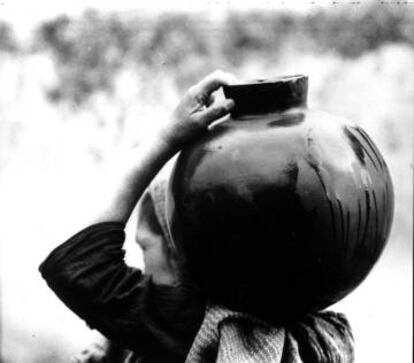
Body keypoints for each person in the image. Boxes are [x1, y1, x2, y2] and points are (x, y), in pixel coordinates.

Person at [39, 70, 354, 363]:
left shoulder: (194, 326)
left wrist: (167, 138)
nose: (140, 265)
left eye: (146, 246)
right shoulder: (319, 330)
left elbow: (78, 265)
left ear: (186, 253)